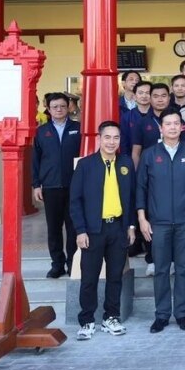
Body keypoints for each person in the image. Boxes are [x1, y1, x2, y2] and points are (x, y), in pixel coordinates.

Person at [136, 113, 185, 332]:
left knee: (184, 268)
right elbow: (141, 188)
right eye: (168, 124)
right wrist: (141, 218)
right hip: (159, 222)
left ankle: (182, 313)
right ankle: (162, 315)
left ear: (182, 127)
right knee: (161, 269)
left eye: (177, 123)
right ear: (161, 128)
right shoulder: (150, 155)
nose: (173, 127)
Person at [70, 121, 136, 340]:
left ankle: (111, 317)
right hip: (93, 229)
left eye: (116, 138)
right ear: (99, 139)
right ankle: (87, 320)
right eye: (107, 137)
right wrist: (80, 230)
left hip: (118, 228)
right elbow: (75, 201)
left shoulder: (125, 163)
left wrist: (131, 225)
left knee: (115, 276)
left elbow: (132, 197)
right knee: (89, 277)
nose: (111, 142)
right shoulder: (86, 165)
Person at [31, 92, 82, 278]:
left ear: (68, 106)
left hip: (74, 185)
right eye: (55, 107)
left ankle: (72, 263)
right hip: (50, 186)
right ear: (49, 108)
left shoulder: (78, 128)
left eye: (62, 106)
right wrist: (36, 184)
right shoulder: (41, 131)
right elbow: (35, 160)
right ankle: (57, 264)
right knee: (53, 228)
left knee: (73, 227)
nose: (59, 109)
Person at [120, 80, 153, 156]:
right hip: (132, 156)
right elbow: (124, 141)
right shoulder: (127, 117)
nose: (144, 96)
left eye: (148, 93)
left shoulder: (159, 115)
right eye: (140, 93)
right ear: (134, 97)